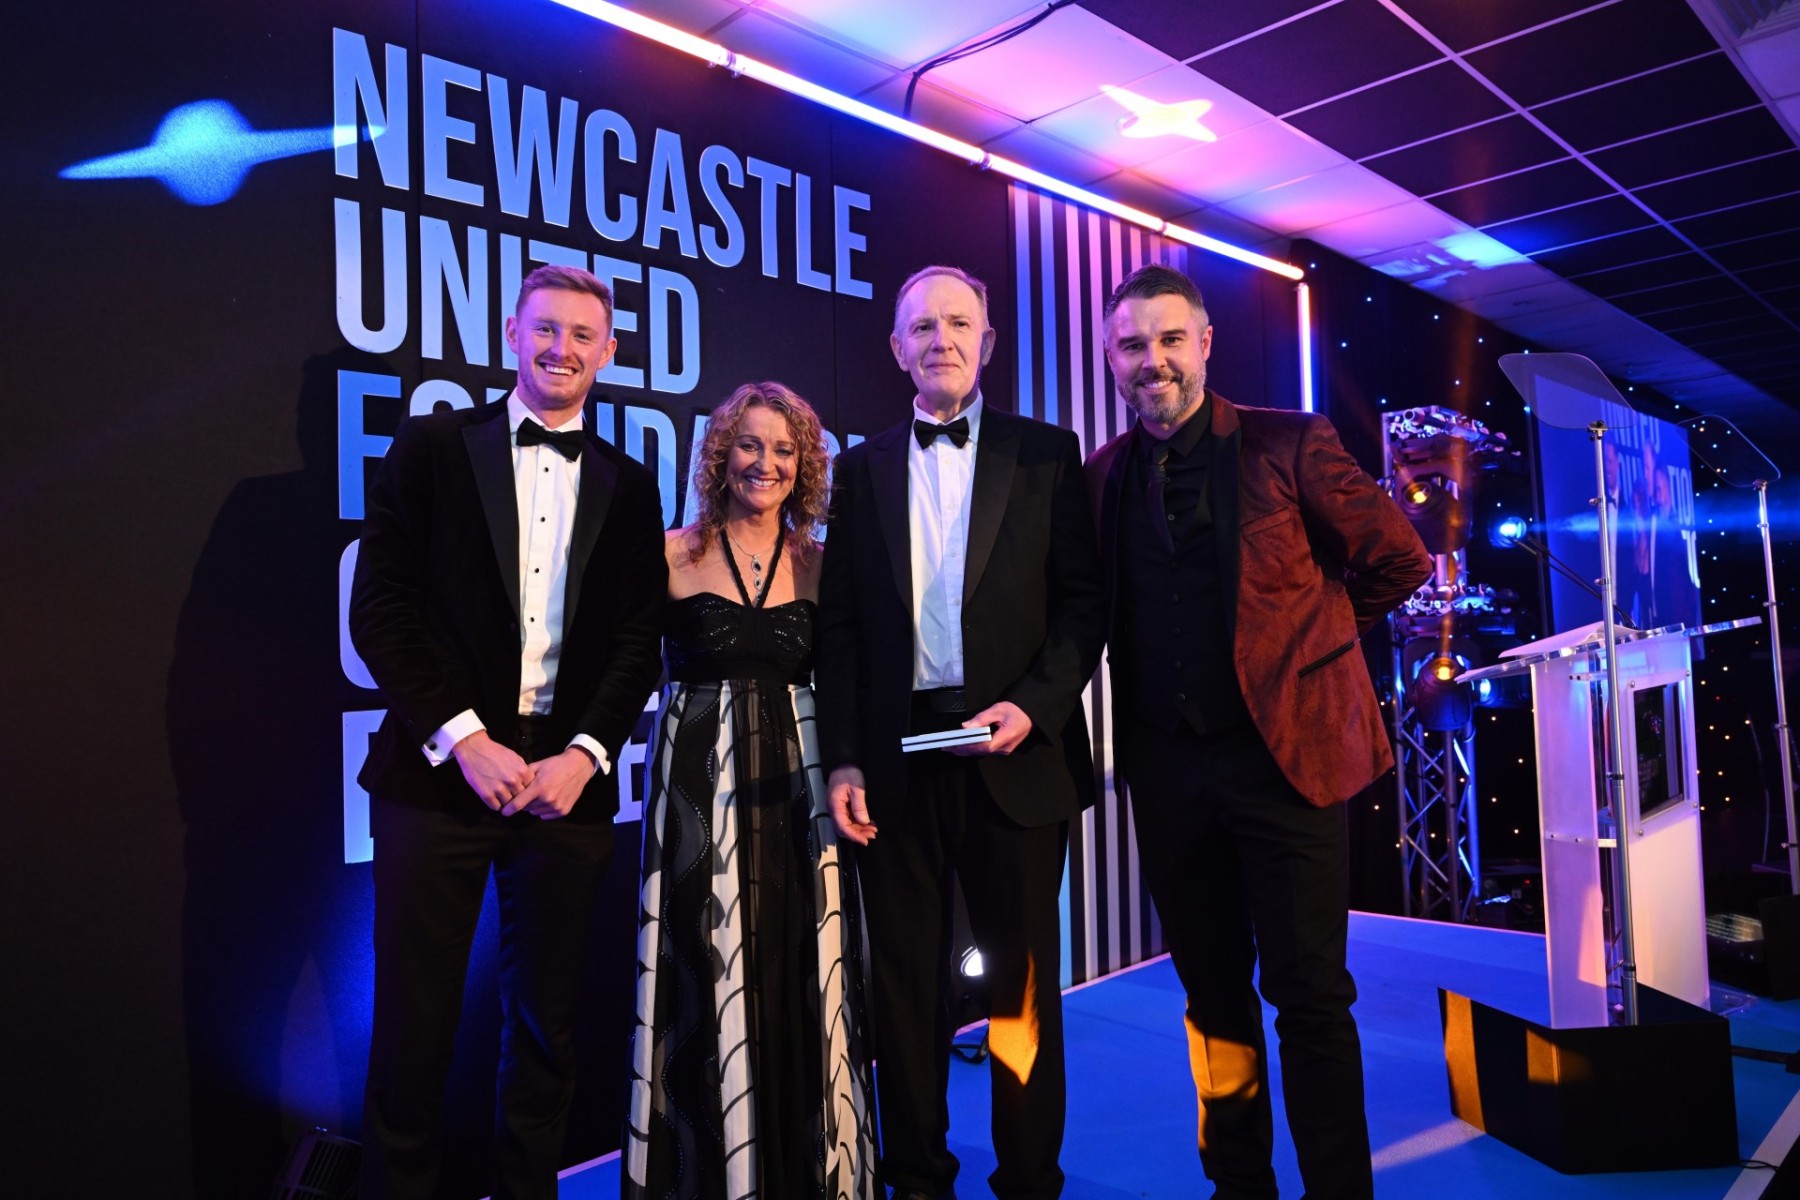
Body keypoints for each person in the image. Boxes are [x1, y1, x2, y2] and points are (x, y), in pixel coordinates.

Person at [1085, 264, 1430, 1200]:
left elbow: (1400, 557)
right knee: (1210, 997)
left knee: (1311, 999)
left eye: (1169, 339)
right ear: (1112, 360)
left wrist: (1314, 647)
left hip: (1288, 766)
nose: (1152, 360)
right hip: (1167, 773)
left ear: (1204, 344)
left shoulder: (1290, 441)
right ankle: (1238, 1187)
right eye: (1131, 345)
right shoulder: (1102, 475)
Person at [350, 264, 667, 1199]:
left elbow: (638, 640)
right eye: (546, 329)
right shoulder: (432, 447)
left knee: (545, 1029)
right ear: (511, 335)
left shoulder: (629, 483)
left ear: (608, 352)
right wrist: (464, 737)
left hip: (566, 794)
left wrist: (585, 756)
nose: (562, 348)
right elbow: (381, 612)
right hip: (436, 780)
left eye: (582, 334)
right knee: (412, 1027)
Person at [816, 265, 1105, 1200]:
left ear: (987, 341)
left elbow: (1084, 607)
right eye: (921, 326)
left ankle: (1029, 1178)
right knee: (902, 986)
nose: (940, 338)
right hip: (894, 765)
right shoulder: (858, 469)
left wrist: (1034, 705)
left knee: (1022, 992)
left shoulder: (1049, 454)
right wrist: (845, 757)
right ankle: (916, 1176)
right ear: (896, 348)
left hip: (1017, 756)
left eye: (957, 322)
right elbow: (841, 630)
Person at [623, 381, 880, 1200]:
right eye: (749, 444)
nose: (765, 463)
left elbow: (851, 681)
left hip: (801, 788)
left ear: (804, 465)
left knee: (806, 967)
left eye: (783, 449)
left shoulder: (821, 563)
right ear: (719, 454)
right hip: (696, 794)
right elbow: (620, 668)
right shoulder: (671, 553)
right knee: (701, 969)